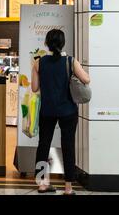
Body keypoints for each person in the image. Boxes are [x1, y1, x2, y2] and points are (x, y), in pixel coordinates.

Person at [31, 29, 90, 195]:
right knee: (68, 146)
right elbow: (86, 79)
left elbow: (34, 88)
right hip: (68, 110)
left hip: (47, 110)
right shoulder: (70, 61)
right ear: (62, 43)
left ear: (47, 43)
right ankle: (68, 187)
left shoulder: (38, 62)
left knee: (43, 144)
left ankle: (42, 184)